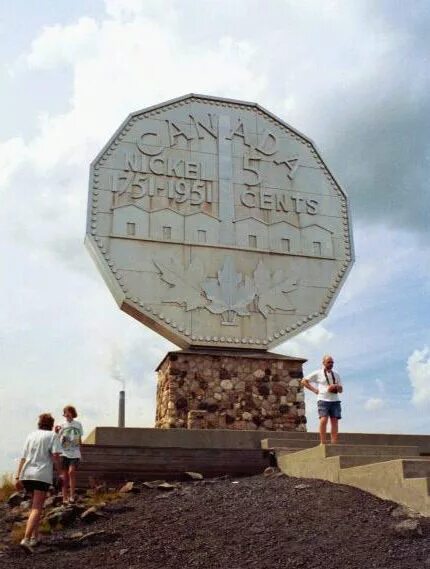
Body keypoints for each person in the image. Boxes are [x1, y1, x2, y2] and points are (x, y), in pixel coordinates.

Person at [15, 413, 61, 550]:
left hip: (27, 474)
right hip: (41, 475)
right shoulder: (53, 436)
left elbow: (23, 457)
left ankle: (35, 537)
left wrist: (17, 477)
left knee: (33, 507)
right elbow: (55, 455)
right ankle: (26, 539)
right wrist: (60, 473)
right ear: (51, 424)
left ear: (39, 423)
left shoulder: (31, 435)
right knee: (37, 508)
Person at [301, 355, 343, 445]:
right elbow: (304, 381)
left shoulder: (336, 374)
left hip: (335, 400)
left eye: (332, 362)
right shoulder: (318, 373)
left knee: (334, 421)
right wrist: (314, 390)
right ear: (323, 363)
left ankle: (334, 443)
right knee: (323, 420)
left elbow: (341, 390)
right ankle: (322, 442)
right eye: (329, 362)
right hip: (323, 399)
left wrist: (336, 386)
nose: (331, 364)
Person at [57, 405, 84, 505]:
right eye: (65, 412)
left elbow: (80, 439)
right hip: (64, 452)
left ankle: (72, 496)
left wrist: (81, 452)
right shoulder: (61, 424)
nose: (67, 414)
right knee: (65, 476)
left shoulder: (78, 424)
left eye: (69, 412)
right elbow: (57, 437)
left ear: (73, 413)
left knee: (71, 472)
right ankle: (64, 498)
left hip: (75, 452)